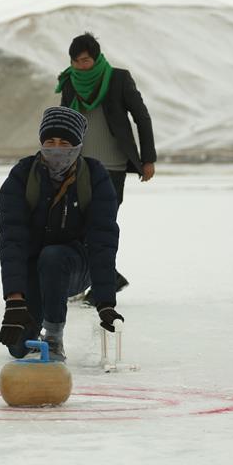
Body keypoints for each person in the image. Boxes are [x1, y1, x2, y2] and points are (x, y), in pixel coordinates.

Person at [0, 106, 123, 362]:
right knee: (19, 348)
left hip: (76, 265)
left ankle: (54, 337)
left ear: (77, 146)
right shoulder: (21, 176)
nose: (56, 149)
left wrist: (105, 303)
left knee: (53, 256)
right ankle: (35, 328)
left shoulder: (94, 176)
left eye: (65, 142)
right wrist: (14, 302)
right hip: (35, 267)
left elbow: (103, 241)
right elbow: (12, 241)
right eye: (50, 141)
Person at [56, 32, 156, 303]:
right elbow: (63, 124)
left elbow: (141, 117)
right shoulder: (69, 81)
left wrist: (148, 158)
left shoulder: (118, 78)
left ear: (96, 57)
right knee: (76, 228)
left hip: (111, 167)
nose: (81, 66)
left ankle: (103, 284)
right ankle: (103, 278)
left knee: (101, 227)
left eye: (86, 60)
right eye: (76, 61)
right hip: (78, 167)